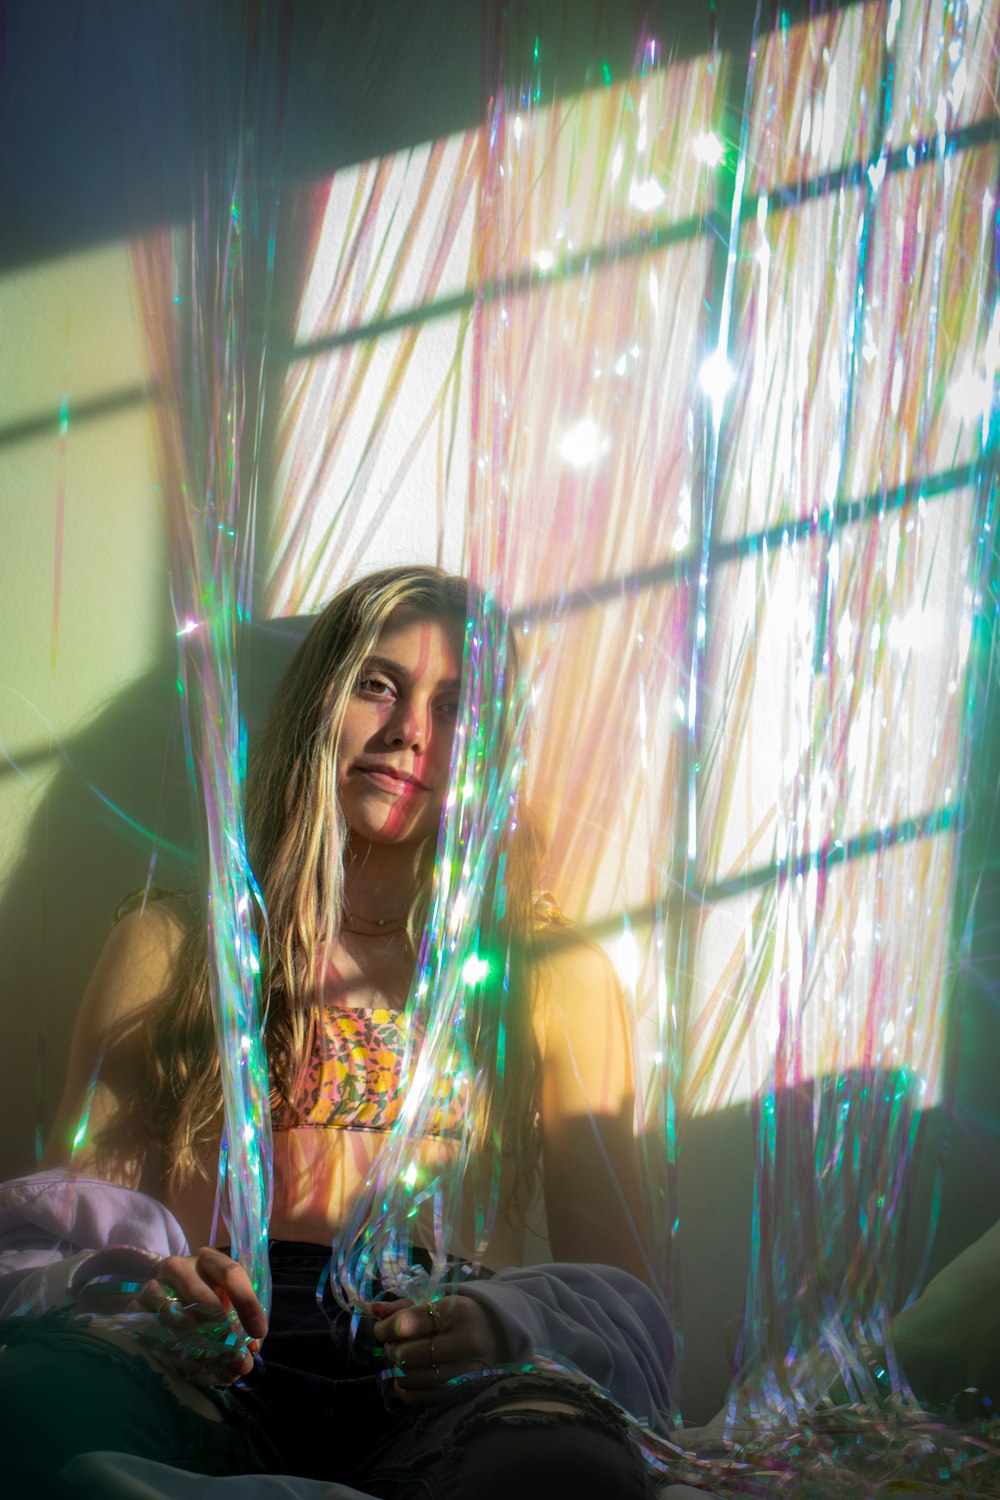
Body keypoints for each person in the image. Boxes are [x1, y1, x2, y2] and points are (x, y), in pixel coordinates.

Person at [0, 566, 671, 1499]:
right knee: (32, 1401)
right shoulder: (174, 948)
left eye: (453, 704)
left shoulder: (553, 981)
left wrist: (501, 1324)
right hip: (214, 1365)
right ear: (322, 702)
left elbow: (628, 1307)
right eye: (378, 685)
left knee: (565, 1470)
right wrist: (149, 1289)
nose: (409, 734)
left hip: (446, 1368)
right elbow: (66, 1234)